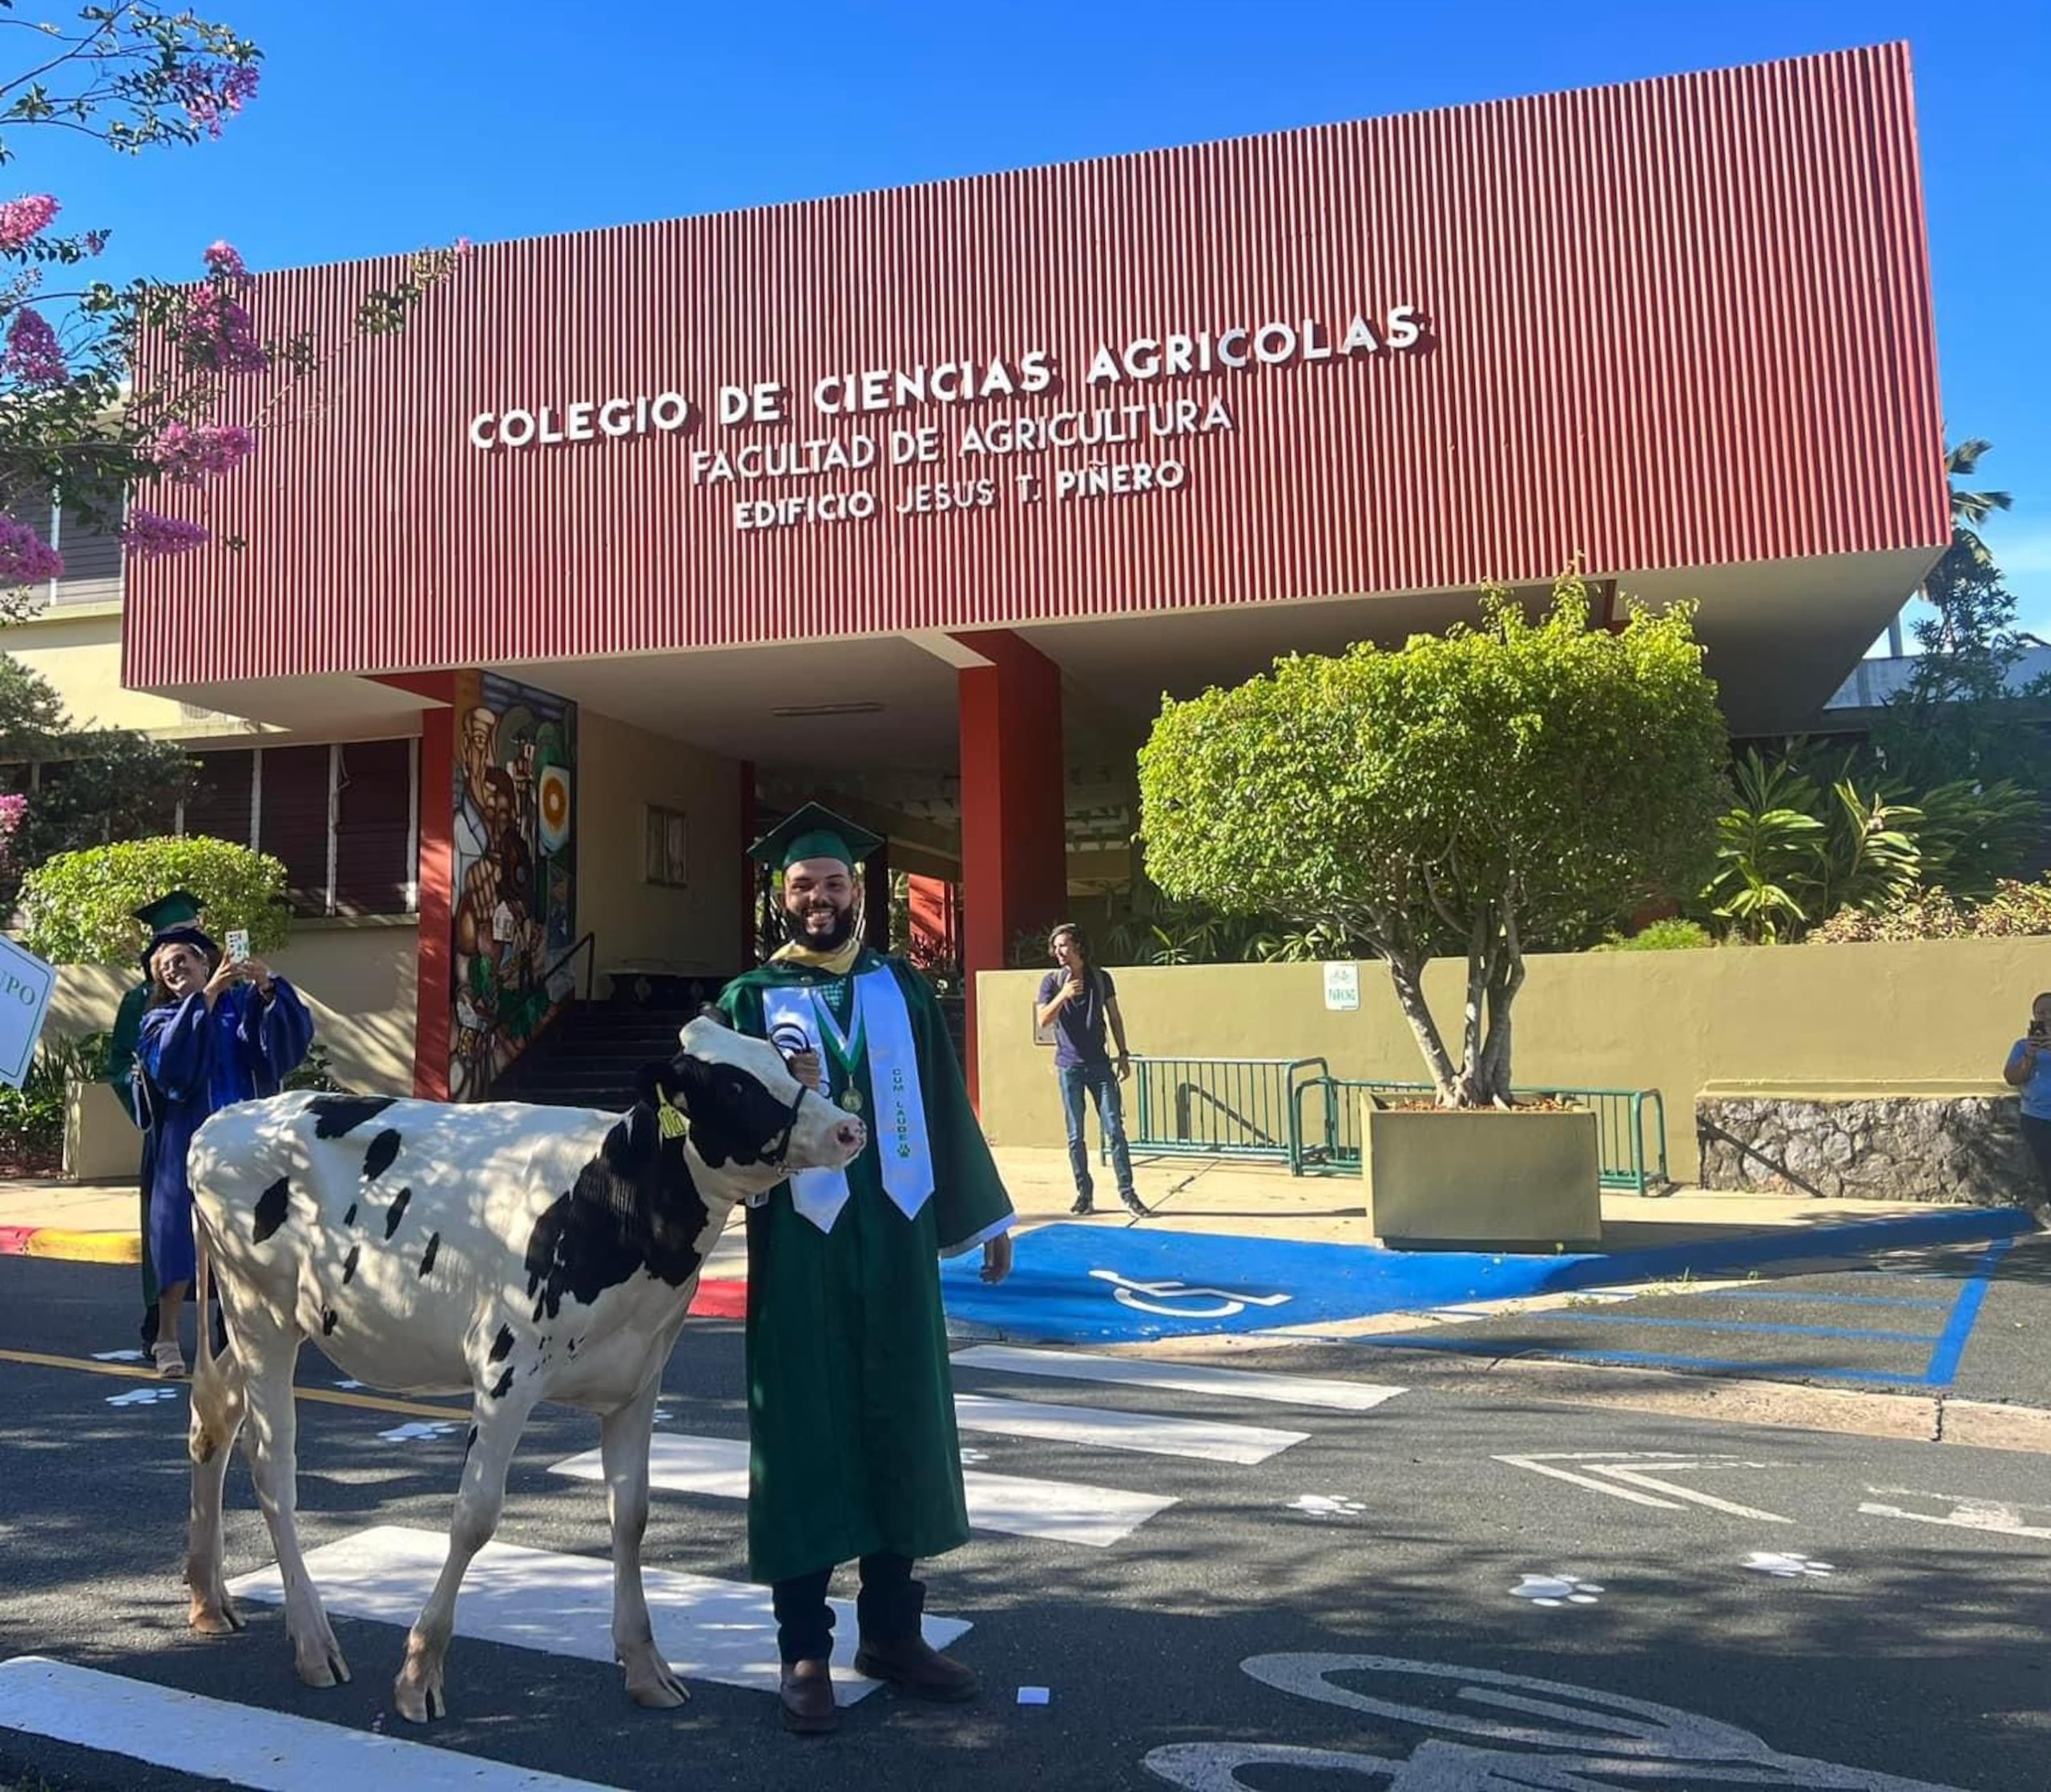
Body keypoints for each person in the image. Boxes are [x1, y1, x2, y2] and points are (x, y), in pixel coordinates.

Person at [717, 802, 1015, 1736]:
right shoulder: (748, 1001)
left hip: (893, 1241)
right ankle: (803, 1645)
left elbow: (943, 1103)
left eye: (835, 883)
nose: (820, 897)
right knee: (804, 1431)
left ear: (859, 893)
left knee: (898, 1420)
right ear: (781, 898)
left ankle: (890, 1630)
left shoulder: (902, 987)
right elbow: (712, 1121)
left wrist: (986, 1210)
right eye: (803, 885)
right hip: (800, 1247)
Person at [133, 920, 314, 1377]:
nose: (173, 971)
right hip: (185, 1144)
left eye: (182, 961)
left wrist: (268, 987)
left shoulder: (242, 1007)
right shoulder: (160, 1019)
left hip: (244, 1145)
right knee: (176, 1239)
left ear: (205, 960)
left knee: (245, 1243)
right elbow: (170, 1067)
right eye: (164, 969)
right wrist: (205, 999)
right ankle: (168, 1337)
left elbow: (280, 1047)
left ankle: (239, 1338)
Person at [104, 889, 208, 1352]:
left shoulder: (230, 992)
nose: (178, 957)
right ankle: (159, 1323)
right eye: (170, 945)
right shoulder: (139, 1001)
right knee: (166, 1226)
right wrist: (144, 1086)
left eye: (188, 941)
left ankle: (229, 1326)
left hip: (219, 1115)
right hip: (169, 1124)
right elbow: (119, 1061)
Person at [1034, 921, 1146, 1216]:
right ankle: (1084, 1194)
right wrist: (1064, 994)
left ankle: (1128, 1193)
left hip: (1100, 1065)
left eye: (1064, 946)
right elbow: (1043, 1019)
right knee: (1075, 1135)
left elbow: (1115, 1017)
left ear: (1078, 947)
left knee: (1115, 1130)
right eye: (1055, 947)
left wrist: (1123, 1053)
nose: (1058, 952)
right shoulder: (1051, 981)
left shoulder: (1101, 978)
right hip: (1068, 1066)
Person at [2003, 992, 2051, 1229]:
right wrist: (2030, 1058)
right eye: (2041, 1013)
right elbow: (2012, 1078)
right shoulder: (2022, 1046)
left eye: (2050, 1011)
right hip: (2037, 1118)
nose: (2046, 1017)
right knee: (2047, 1167)